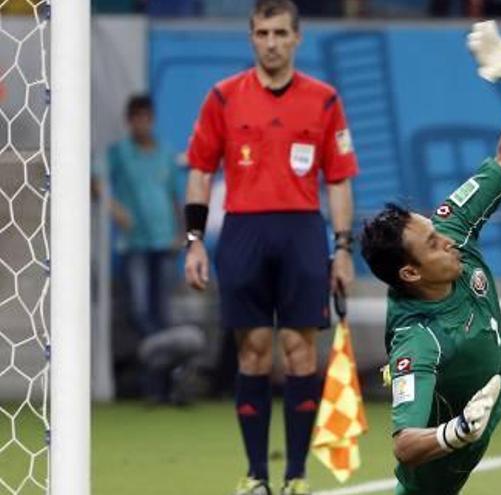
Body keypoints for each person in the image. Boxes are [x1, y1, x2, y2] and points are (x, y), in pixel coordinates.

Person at [360, 21, 501, 495]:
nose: (447, 241)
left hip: (500, 362)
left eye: (436, 231)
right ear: (410, 273)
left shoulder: (449, 227)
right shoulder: (418, 340)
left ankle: (498, 356)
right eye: (432, 245)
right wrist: (456, 432)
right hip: (451, 438)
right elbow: (405, 444)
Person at [183, 1, 358, 494]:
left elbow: (340, 180)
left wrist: (342, 247)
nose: (272, 42)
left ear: (297, 38)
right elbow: (200, 169)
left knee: (301, 353)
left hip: (303, 231)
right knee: (254, 354)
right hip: (243, 233)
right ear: (251, 37)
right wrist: (194, 241)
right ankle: (257, 476)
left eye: (281, 33)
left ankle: (296, 476)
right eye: (262, 33)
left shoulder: (323, 100)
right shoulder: (223, 97)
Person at [97, 94, 181, 403]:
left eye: (145, 117)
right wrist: (114, 208)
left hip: (165, 244)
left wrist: (182, 235)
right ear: (129, 121)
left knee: (162, 313)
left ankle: (161, 385)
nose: (141, 123)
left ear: (152, 119)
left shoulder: (165, 155)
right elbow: (94, 180)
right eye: (135, 117)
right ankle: (155, 379)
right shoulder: (119, 153)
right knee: (141, 313)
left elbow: (177, 197)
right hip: (135, 245)